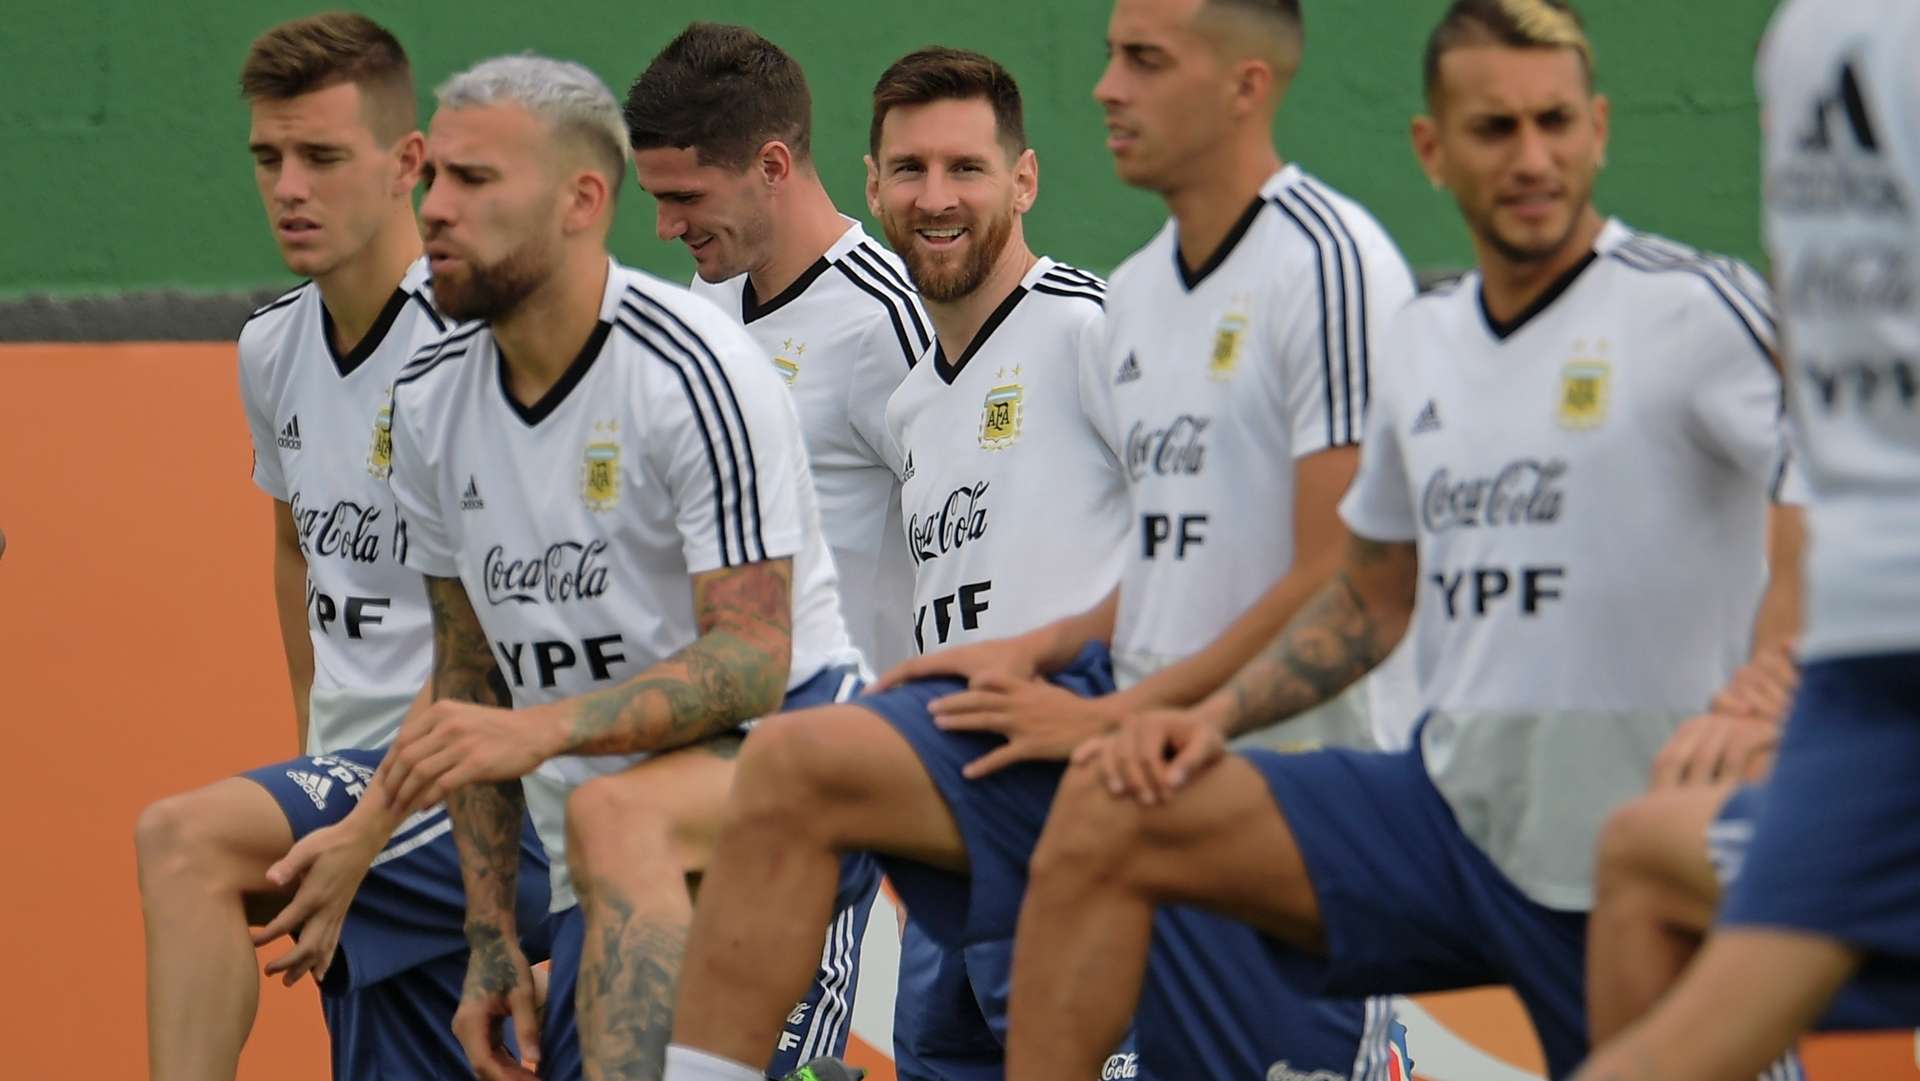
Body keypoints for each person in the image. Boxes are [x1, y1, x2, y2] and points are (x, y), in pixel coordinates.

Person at [999, 2, 1794, 1077]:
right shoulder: (1422, 338)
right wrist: (1212, 716)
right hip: (1449, 823)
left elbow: (1848, 481)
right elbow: (1369, 596)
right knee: (1114, 804)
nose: (1532, 158)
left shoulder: (1698, 308)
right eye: (1494, 129)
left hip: (1638, 858)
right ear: (1431, 149)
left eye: (1555, 123)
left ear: (1600, 129)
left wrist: (1771, 682)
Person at [662, 5, 1417, 1076]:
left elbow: (1255, 562)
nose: (936, 197)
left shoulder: (1091, 327)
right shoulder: (912, 396)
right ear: (871, 188)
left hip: (1131, 773)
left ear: (1023, 182)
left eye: (966, 167)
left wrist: (1097, 691)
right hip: (978, 808)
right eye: (910, 170)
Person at [373, 53, 875, 1081]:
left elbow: (750, 662)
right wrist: (486, 938)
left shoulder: (693, 368)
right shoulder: (428, 400)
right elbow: (473, 681)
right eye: (434, 179)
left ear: (580, 200)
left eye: (475, 181)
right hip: (595, 847)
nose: (434, 209)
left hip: (782, 771)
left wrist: (538, 728)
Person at [133, 15, 550, 1080]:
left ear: (409, 162)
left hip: (490, 792)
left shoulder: (475, 351)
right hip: (358, 778)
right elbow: (295, 548)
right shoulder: (271, 345)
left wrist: (363, 817)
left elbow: (504, 643)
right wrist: (317, 749)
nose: (289, 187)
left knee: (186, 841)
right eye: (269, 158)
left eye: (321, 157)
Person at [1573, 1, 1920, 1076]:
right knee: (1641, 856)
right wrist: (1771, 685)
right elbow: (1817, 474)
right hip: (1869, 695)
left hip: (1872, 689)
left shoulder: (1811, 39)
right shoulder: (1816, 42)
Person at [626, 22, 928, 675]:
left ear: (771, 166)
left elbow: (975, 544)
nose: (666, 227)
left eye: (685, 197)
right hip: (723, 738)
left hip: (848, 749)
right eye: (657, 198)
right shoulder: (704, 301)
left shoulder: (887, 319)